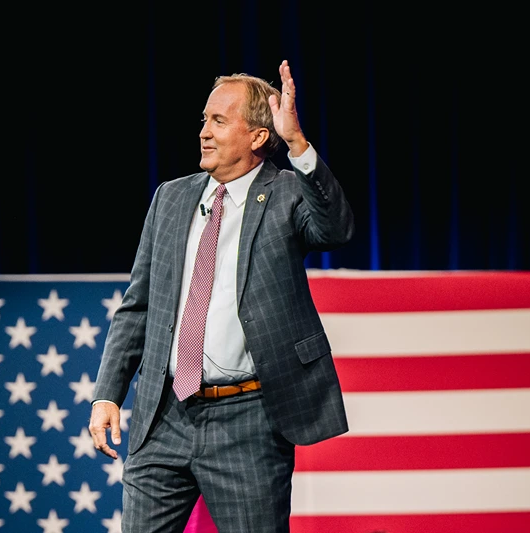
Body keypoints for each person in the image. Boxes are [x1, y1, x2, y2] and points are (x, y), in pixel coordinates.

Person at [89, 59, 354, 532]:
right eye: (203, 119)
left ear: (257, 136)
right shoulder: (170, 197)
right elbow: (138, 305)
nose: (203, 132)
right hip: (164, 414)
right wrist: (107, 394)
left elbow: (335, 229)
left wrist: (297, 143)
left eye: (218, 120)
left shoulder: (287, 192)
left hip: (250, 420)